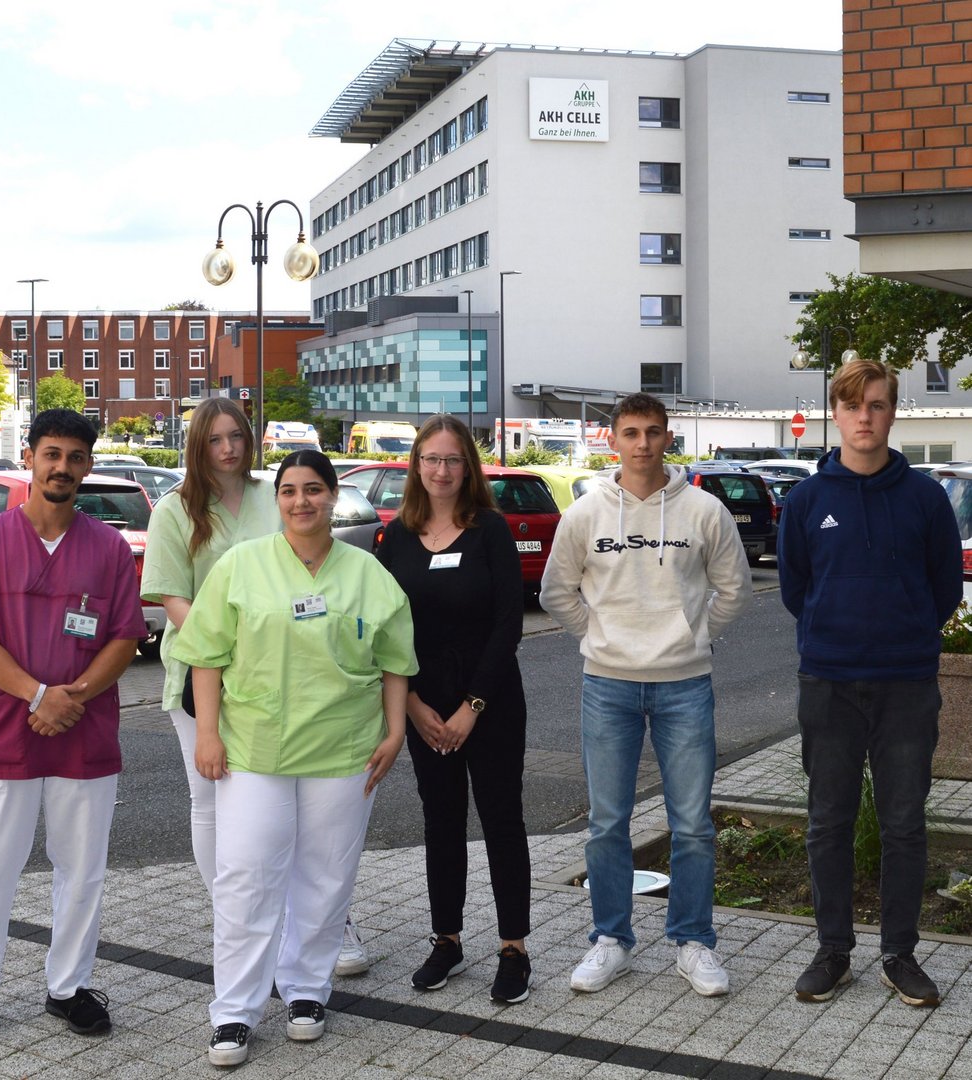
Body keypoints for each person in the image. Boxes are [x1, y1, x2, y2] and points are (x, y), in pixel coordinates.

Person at [171, 450, 417, 1067]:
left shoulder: (367, 573)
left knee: (326, 875)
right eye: (288, 490)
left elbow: (395, 660)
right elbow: (205, 654)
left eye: (313, 489)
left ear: (333, 496)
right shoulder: (241, 564)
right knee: (247, 878)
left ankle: (307, 990)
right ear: (277, 499)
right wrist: (207, 734)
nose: (301, 501)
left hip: (345, 748)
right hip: (255, 748)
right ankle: (234, 1011)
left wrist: (395, 732)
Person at [0, 409, 147, 1053]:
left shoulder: (108, 548)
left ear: (88, 466)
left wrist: (71, 698)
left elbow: (124, 638)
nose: (62, 467)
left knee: (82, 869)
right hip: (7, 728)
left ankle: (69, 985)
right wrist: (38, 695)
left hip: (85, 727)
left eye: (75, 457)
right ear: (29, 458)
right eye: (51, 453)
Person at [141, 399, 371, 976]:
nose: (228, 449)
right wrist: (224, 649)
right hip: (204, 674)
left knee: (296, 808)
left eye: (237, 436)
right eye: (215, 439)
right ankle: (239, 921)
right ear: (197, 445)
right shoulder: (175, 509)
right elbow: (172, 596)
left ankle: (323, 922)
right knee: (211, 799)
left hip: (284, 675)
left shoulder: (276, 494)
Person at [540, 393, 751, 997]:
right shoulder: (586, 515)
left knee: (692, 824)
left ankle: (694, 942)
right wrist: (599, 637)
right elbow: (557, 592)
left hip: (685, 684)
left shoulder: (704, 511)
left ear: (667, 438)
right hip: (607, 685)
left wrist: (694, 636)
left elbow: (735, 589)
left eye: (653, 432)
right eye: (630, 433)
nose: (642, 443)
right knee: (607, 822)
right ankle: (611, 940)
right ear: (612, 440)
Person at [777, 358, 962, 1008]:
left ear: (892, 412)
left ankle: (899, 954)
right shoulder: (807, 501)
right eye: (854, 405)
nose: (865, 417)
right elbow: (796, 588)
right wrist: (836, 635)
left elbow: (944, 587)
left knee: (904, 824)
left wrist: (902, 634)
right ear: (836, 413)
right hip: (828, 683)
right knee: (827, 822)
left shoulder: (925, 498)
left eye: (877, 405)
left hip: (906, 685)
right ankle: (833, 952)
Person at [376, 414, 532, 1003]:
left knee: (501, 820)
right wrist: (412, 705)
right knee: (440, 822)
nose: (441, 470)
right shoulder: (395, 537)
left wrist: (473, 706)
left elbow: (509, 623)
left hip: (490, 701)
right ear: (416, 465)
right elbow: (385, 630)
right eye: (431, 459)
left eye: (452, 460)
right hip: (425, 707)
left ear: (469, 467)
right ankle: (447, 939)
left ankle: (514, 947)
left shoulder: (490, 530)